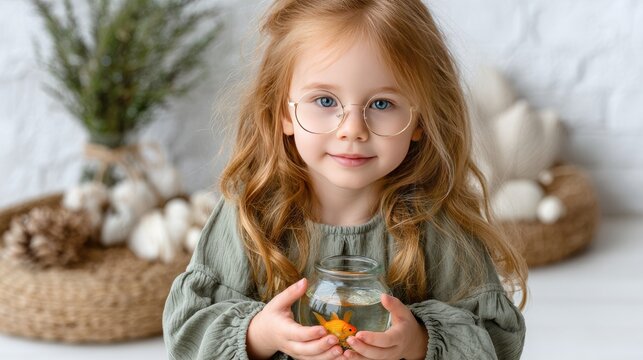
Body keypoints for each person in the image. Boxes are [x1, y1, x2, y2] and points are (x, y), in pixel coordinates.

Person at [163, 0, 528, 359]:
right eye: (324, 101)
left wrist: (419, 342)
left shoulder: (437, 223)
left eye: (382, 104)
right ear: (282, 113)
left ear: (420, 119)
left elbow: (497, 343)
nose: (352, 130)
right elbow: (186, 335)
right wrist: (261, 334)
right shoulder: (250, 213)